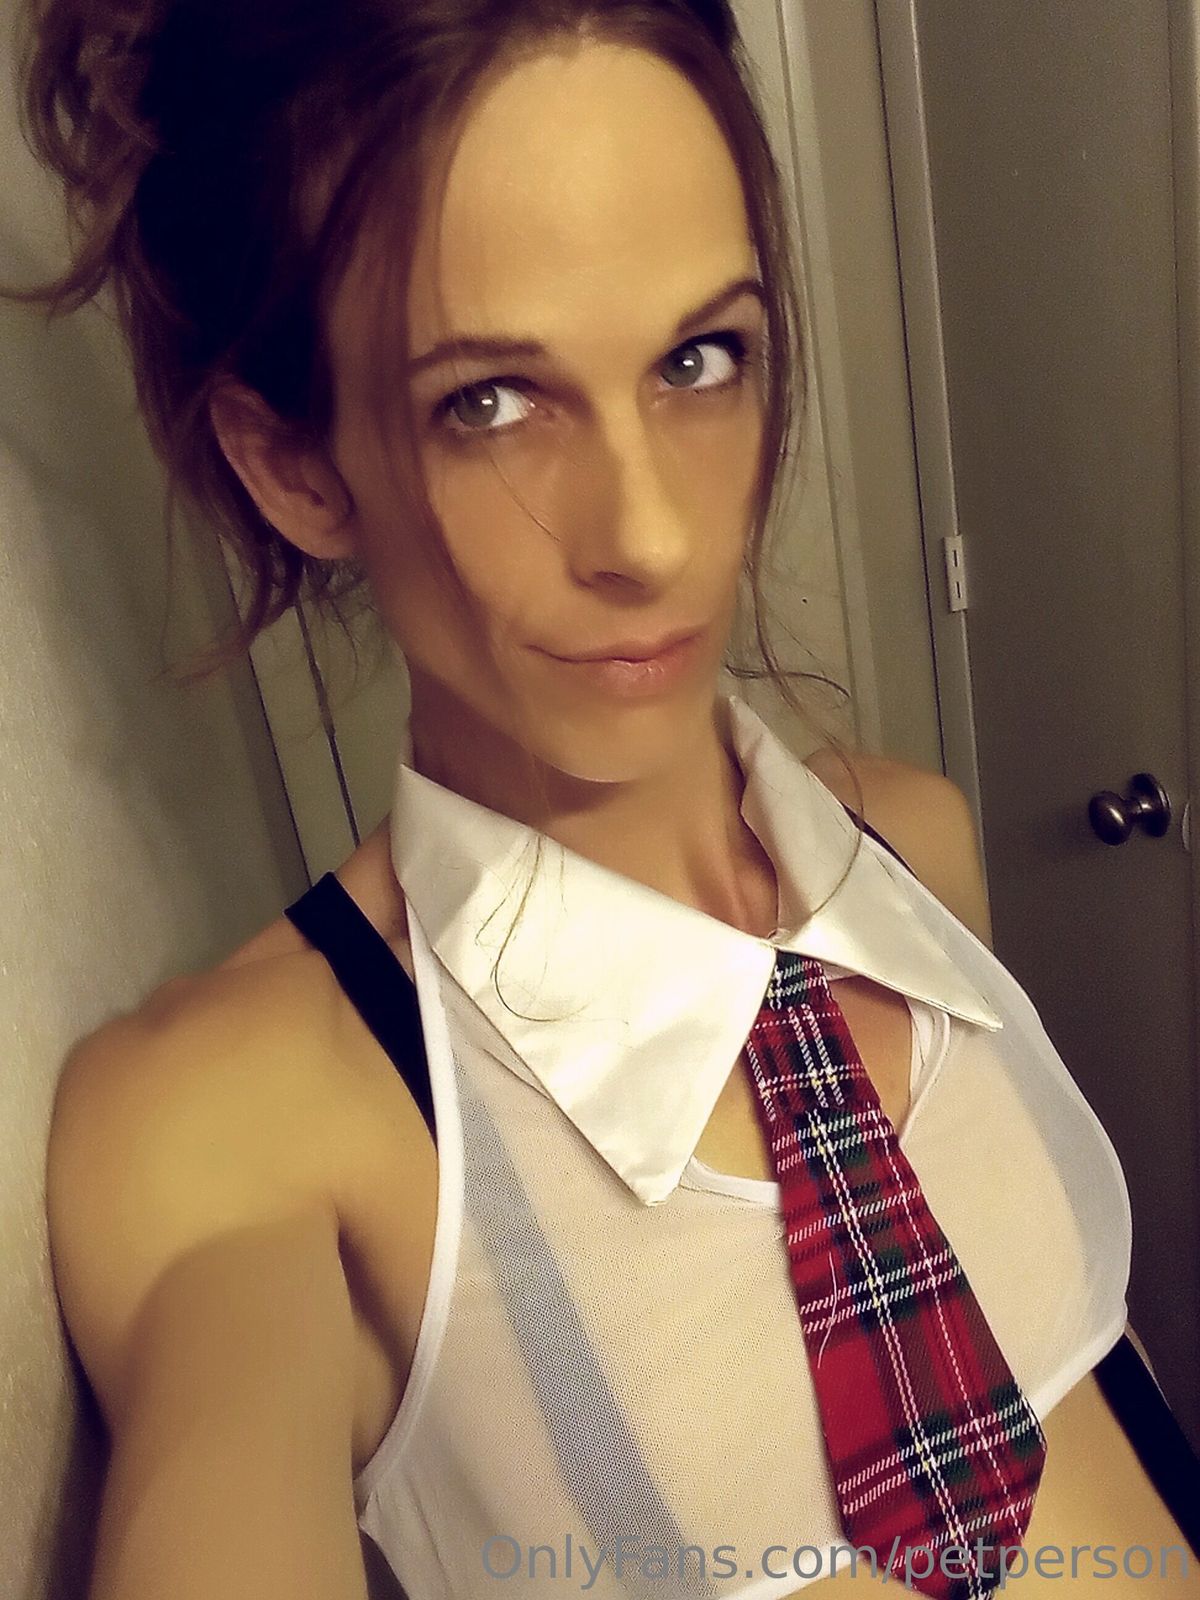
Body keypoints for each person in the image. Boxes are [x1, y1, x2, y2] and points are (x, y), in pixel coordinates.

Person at [11, 1, 1200, 1596]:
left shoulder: (911, 842)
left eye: (699, 360)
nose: (651, 535)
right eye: (489, 402)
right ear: (298, 466)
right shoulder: (248, 1124)